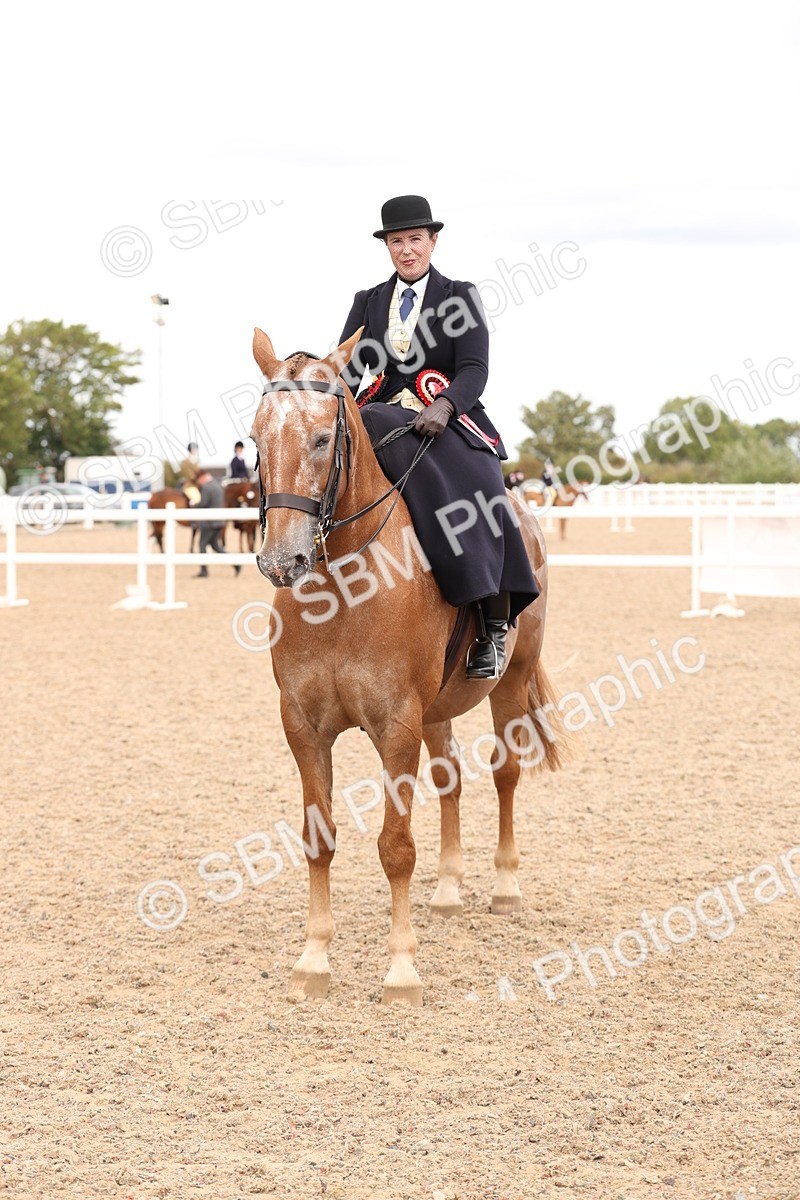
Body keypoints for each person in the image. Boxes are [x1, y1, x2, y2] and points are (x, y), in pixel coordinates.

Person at [339, 194, 540, 679]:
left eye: (414, 240)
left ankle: (493, 622)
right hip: (382, 415)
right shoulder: (368, 302)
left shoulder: (459, 296)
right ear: (386, 246)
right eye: (396, 242)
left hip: (446, 416)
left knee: (485, 486)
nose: (406, 250)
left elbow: (474, 367)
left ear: (432, 241)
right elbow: (348, 371)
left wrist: (445, 405)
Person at [191, 470, 239, 577]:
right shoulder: (217, 486)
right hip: (219, 521)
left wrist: (194, 504)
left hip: (209, 523)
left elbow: (204, 503)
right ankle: (236, 563)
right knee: (216, 546)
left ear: (202, 477)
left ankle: (204, 571)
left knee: (202, 545)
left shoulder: (206, 487)